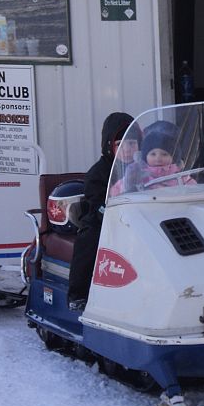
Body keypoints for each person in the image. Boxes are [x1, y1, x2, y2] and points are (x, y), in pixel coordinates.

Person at [67, 112, 138, 309]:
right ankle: (78, 294)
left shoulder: (144, 167)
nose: (128, 149)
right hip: (103, 219)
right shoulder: (98, 172)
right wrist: (105, 209)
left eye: (132, 143)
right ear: (109, 146)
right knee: (89, 240)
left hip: (138, 218)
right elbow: (95, 198)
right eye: (120, 144)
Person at [118, 120, 196, 193]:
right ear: (145, 156)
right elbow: (120, 189)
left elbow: (194, 189)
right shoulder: (138, 173)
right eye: (153, 154)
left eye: (164, 154)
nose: (158, 158)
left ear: (173, 157)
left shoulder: (180, 175)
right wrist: (128, 183)